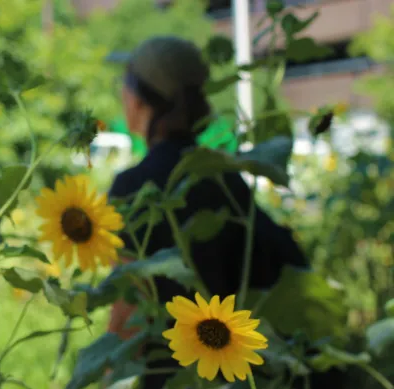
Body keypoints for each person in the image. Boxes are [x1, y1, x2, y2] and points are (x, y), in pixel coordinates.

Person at [103, 36, 338, 388]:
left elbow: (128, 309)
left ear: (139, 99)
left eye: (125, 83)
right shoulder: (225, 177)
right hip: (239, 372)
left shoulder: (132, 188)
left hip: (173, 375)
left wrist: (107, 376)